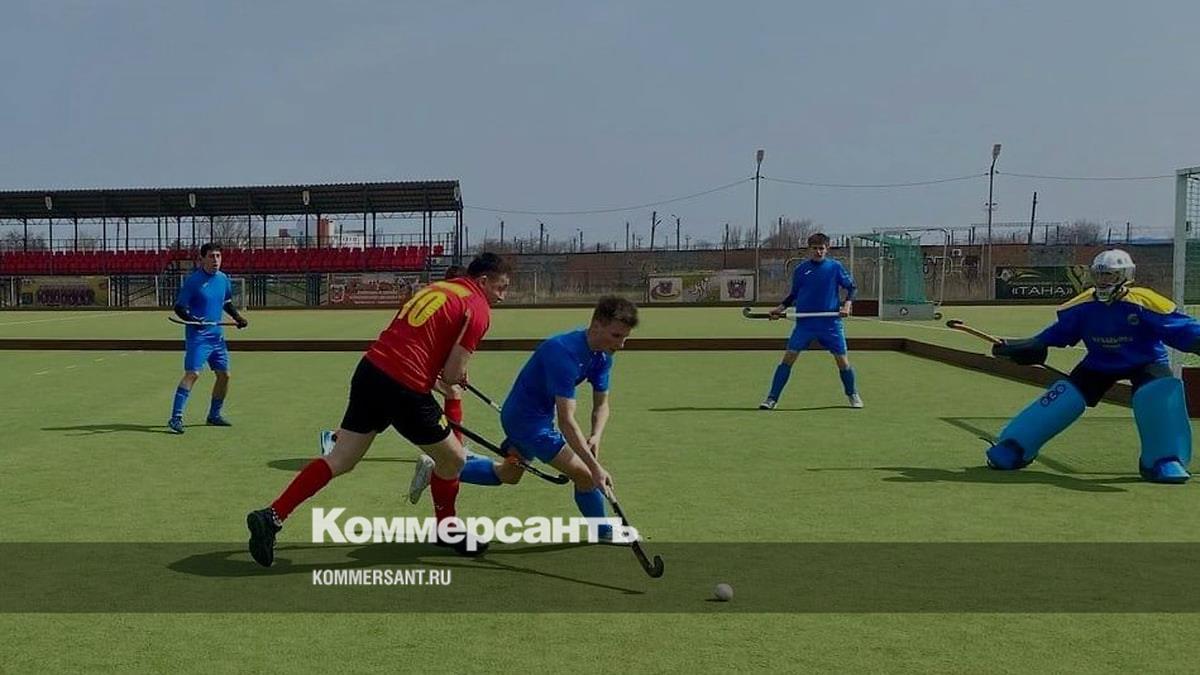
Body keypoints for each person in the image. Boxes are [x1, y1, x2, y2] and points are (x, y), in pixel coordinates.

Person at [246, 253, 512, 566]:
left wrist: (439, 369)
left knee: (341, 459)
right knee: (453, 460)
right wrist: (454, 381)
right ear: (483, 281)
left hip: (371, 370)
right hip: (404, 387)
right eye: (501, 288)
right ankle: (446, 529)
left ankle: (272, 515)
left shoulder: (439, 288)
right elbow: (453, 374)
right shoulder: (478, 308)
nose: (502, 296)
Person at [411, 296, 636, 541]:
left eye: (625, 337)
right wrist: (594, 468)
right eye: (616, 335)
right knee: (586, 476)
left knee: (508, 475)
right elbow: (566, 420)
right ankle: (604, 531)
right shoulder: (564, 352)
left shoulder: (603, 355)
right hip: (527, 423)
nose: (621, 344)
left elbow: (601, 405)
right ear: (597, 325)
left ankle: (437, 468)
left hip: (536, 418)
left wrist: (596, 435)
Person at [988, 249, 1200, 483]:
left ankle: (1164, 459)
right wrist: (1034, 344)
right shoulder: (1082, 305)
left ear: (1125, 276)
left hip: (1146, 361)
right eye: (1099, 275)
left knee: (1158, 394)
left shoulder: (1144, 301)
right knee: (1064, 397)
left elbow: (1180, 328)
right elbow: (1059, 333)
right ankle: (1016, 445)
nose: (1103, 281)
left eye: (1110, 275)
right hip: (1099, 363)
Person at [319, 265, 472, 457]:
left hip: (404, 363)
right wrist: (453, 372)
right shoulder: (452, 304)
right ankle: (457, 452)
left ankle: (335, 437)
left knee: (379, 414)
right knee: (449, 392)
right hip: (406, 365)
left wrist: (456, 371)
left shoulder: (437, 296)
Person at [759, 232, 861, 410]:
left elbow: (852, 287)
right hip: (805, 323)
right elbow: (794, 295)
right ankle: (771, 399)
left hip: (830, 323)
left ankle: (852, 394)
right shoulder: (801, 270)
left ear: (827, 249)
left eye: (822, 248)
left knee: (842, 361)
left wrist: (847, 306)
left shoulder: (835, 267)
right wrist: (779, 309)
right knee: (788, 358)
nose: (818, 252)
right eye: (815, 248)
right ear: (809, 249)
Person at [168, 242, 248, 434]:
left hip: (217, 338)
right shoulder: (193, 281)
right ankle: (176, 417)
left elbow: (226, 303)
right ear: (202, 259)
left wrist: (237, 317)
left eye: (218, 256)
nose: (216, 260)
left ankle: (214, 415)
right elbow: (179, 308)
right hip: (199, 337)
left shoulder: (223, 279)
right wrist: (193, 320)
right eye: (211, 256)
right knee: (193, 374)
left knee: (224, 375)